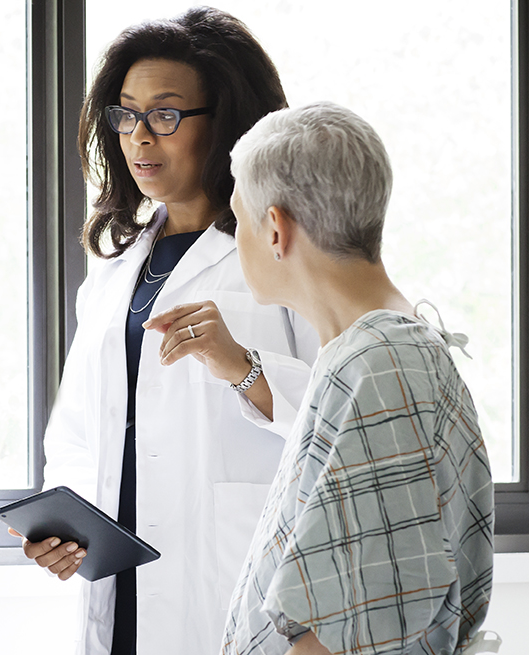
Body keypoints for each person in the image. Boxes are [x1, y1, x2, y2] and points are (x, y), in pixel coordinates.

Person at [17, 8, 318, 654]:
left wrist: (244, 366)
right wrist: (63, 524)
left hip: (230, 578)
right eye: (126, 116)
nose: (140, 138)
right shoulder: (114, 268)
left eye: (165, 115)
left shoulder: (287, 248)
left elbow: (344, 415)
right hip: (119, 582)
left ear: (228, 122)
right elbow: (77, 430)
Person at [220, 101, 495, 655]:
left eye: (237, 220)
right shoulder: (370, 353)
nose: (235, 238)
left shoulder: (383, 362)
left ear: (275, 229)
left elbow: (340, 632)